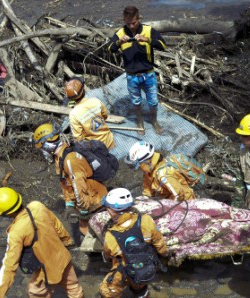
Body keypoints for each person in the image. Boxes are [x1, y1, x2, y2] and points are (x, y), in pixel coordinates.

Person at [0, 187, 84, 298]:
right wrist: (67, 241)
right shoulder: (37, 206)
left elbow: (9, 266)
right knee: (73, 287)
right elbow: (57, 225)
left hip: (46, 270)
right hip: (63, 256)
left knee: (36, 292)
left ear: (5, 214)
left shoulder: (16, 232)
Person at [33, 123, 108, 236]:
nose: (43, 151)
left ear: (48, 144)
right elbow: (65, 182)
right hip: (84, 199)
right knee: (85, 230)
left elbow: (79, 188)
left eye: (42, 147)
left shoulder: (70, 160)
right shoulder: (60, 157)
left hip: (94, 200)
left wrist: (83, 211)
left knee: (96, 231)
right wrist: (69, 204)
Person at [99, 188, 169, 298]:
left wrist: (107, 259)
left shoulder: (111, 235)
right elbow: (159, 243)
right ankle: (141, 294)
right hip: (145, 266)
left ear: (112, 210)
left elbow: (108, 255)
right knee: (139, 285)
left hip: (124, 270)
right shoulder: (146, 220)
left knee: (107, 290)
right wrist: (165, 255)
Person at [108, 6, 166, 135]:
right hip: (131, 76)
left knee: (153, 101)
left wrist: (148, 40)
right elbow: (110, 48)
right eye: (128, 23)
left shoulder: (148, 30)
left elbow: (163, 45)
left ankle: (154, 121)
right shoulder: (120, 33)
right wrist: (118, 42)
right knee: (136, 101)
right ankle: (139, 121)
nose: (131, 26)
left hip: (149, 74)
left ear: (139, 18)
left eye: (134, 23)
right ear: (124, 20)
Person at [125, 141, 205, 201]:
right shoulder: (149, 172)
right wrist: (144, 200)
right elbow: (147, 190)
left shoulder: (164, 175)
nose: (138, 168)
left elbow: (179, 196)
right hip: (169, 197)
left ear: (147, 161)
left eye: (138, 165)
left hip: (185, 202)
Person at [66, 77, 114, 149]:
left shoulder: (73, 114)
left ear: (70, 99)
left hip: (97, 149)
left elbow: (78, 138)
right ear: (83, 91)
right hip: (110, 141)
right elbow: (105, 115)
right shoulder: (95, 101)